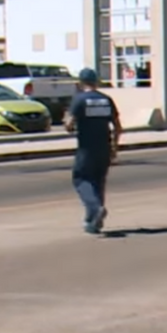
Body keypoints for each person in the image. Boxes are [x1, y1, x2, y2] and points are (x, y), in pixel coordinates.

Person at [64, 68, 121, 234]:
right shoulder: (106, 100)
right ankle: (92, 222)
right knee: (98, 182)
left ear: (81, 83)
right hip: (104, 146)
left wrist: (67, 121)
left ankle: (95, 209)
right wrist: (115, 148)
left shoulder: (79, 100)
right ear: (96, 81)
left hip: (87, 148)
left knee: (80, 179)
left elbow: (69, 125)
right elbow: (117, 127)